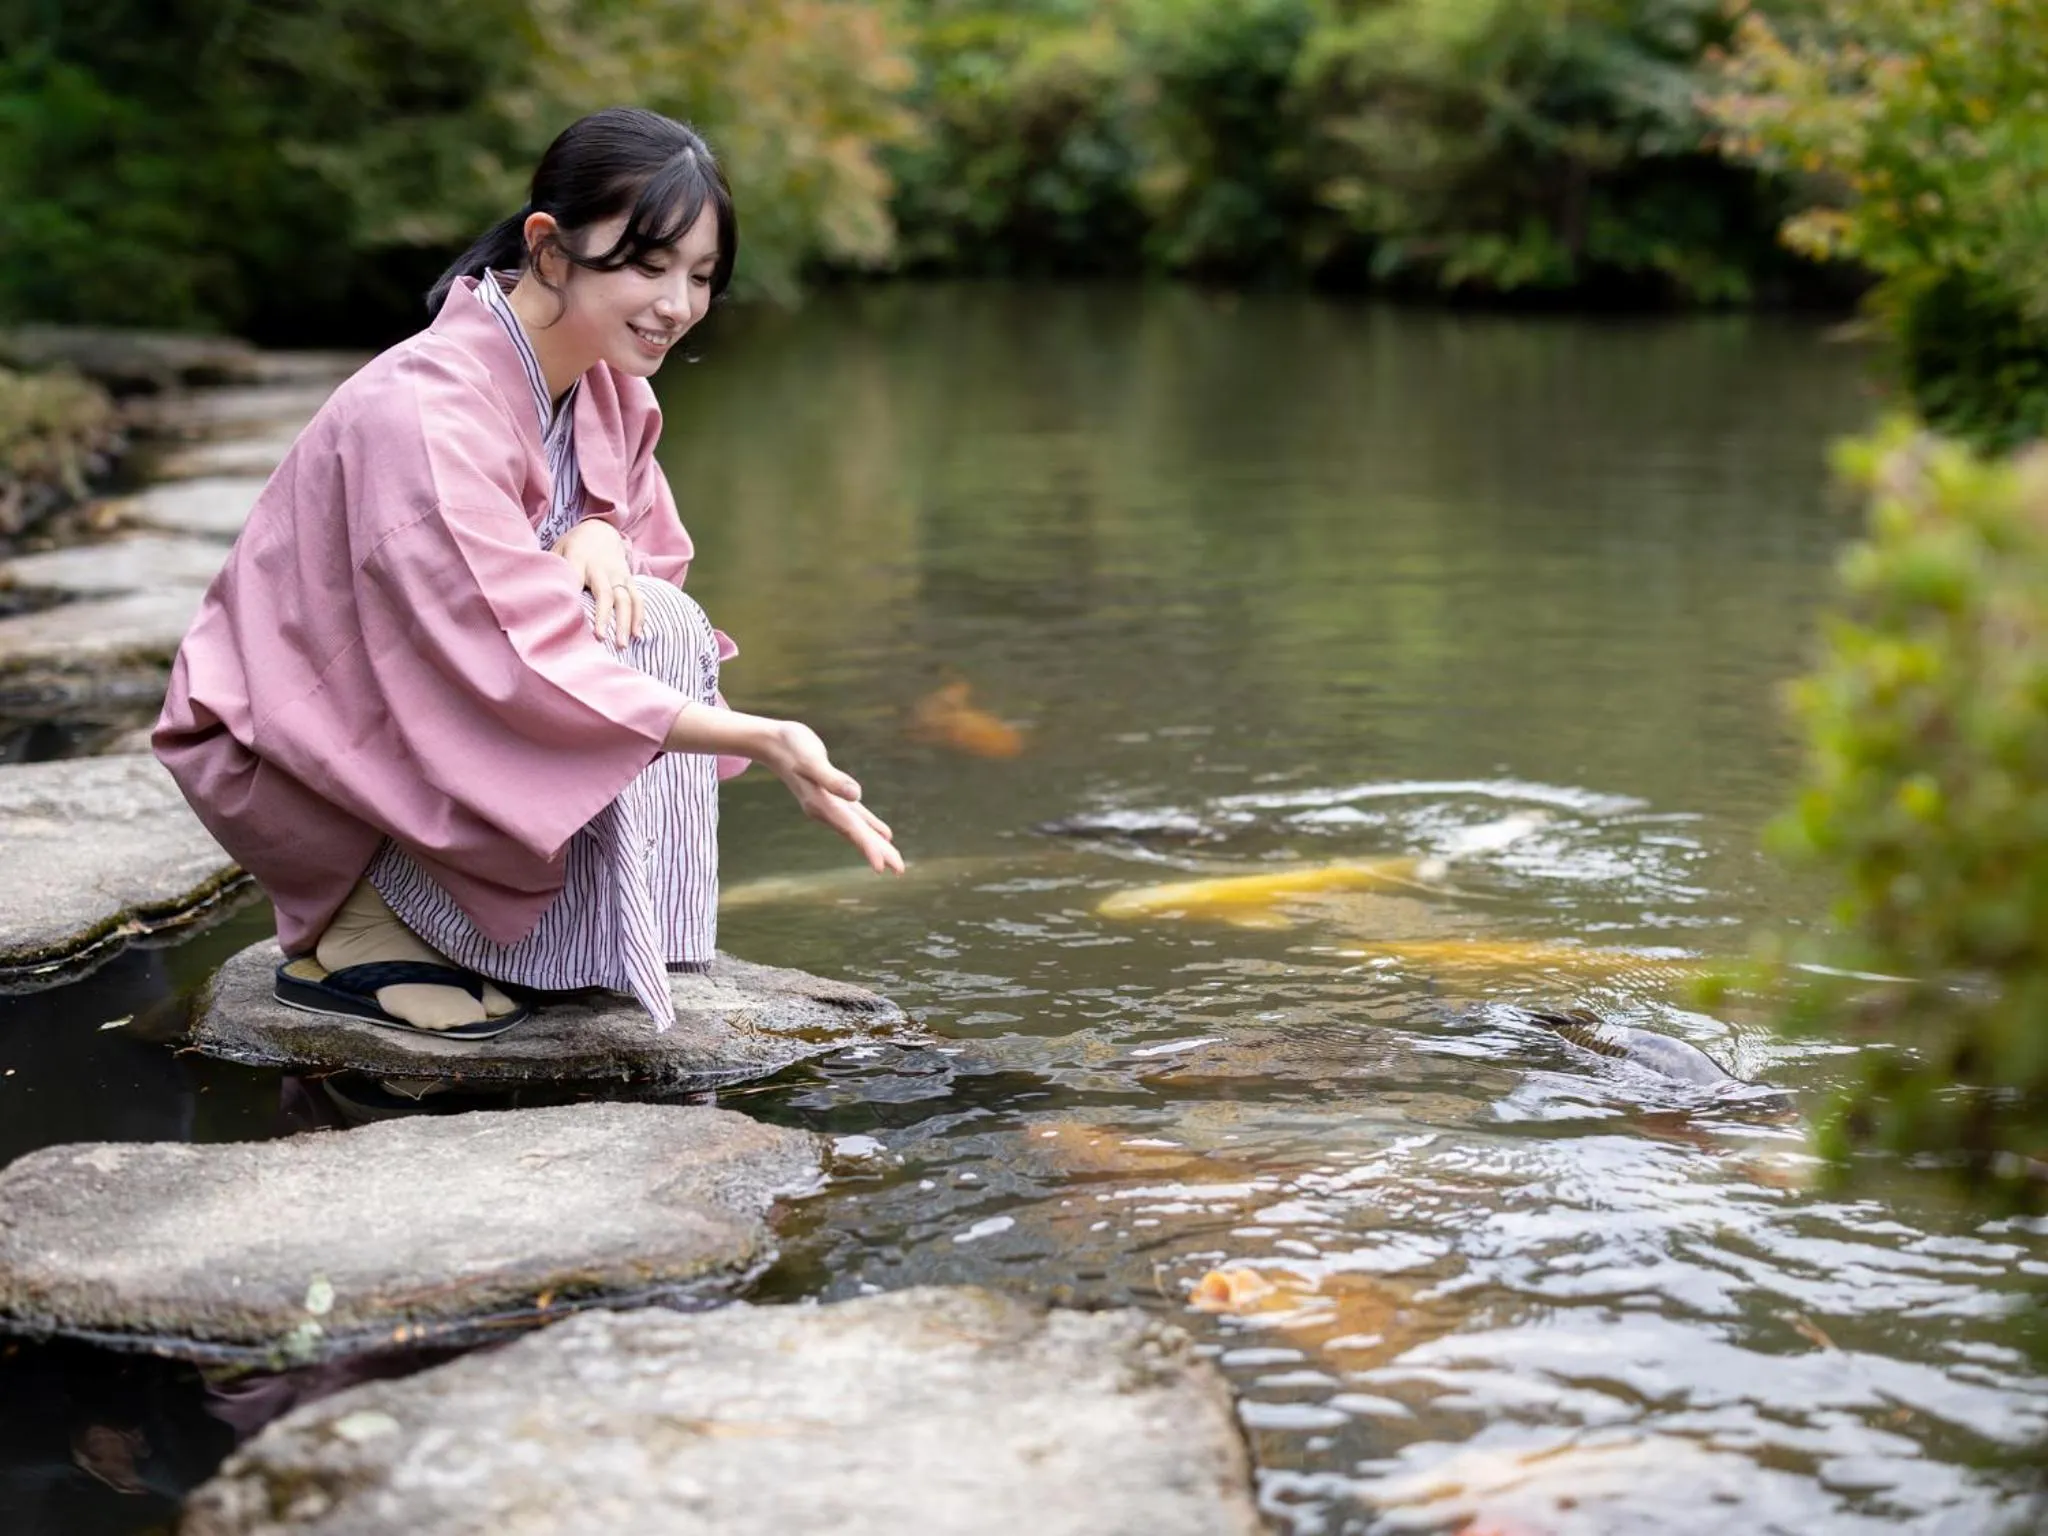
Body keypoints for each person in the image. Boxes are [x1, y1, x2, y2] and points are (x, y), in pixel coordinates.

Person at [154, 106, 902, 1040]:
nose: (677, 304)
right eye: (647, 265)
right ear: (548, 249)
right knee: (633, 634)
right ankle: (361, 920)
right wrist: (763, 735)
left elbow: (652, 570)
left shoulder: (609, 386)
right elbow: (502, 648)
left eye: (701, 275)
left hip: (412, 716)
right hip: (300, 741)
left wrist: (600, 533)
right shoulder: (425, 407)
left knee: (652, 616)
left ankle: (540, 943)